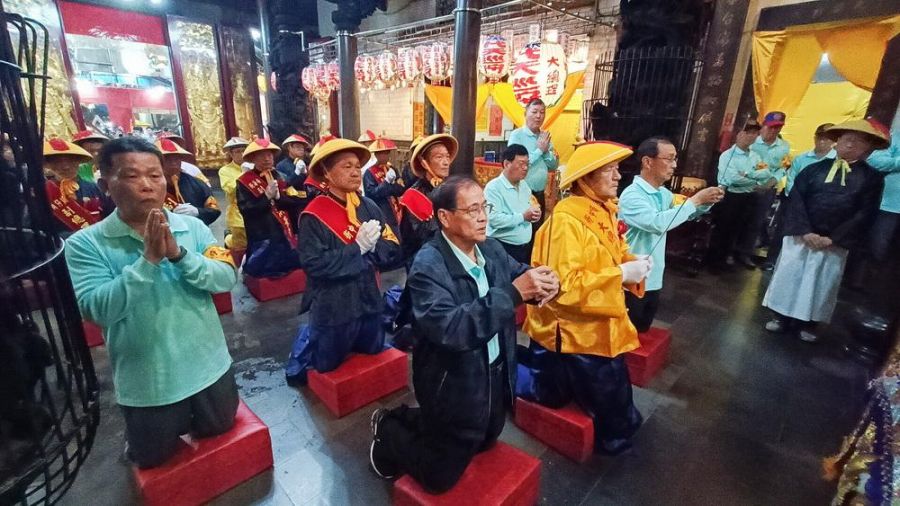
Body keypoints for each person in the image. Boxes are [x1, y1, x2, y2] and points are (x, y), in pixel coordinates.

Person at [368, 176, 559, 492]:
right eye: (472, 210)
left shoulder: (492, 249)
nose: (483, 216)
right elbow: (452, 328)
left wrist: (542, 282)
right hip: (452, 380)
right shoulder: (427, 265)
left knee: (485, 439)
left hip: (493, 373)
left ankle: (426, 425)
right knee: (439, 478)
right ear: (444, 217)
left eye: (485, 207)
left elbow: (519, 274)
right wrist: (513, 293)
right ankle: (387, 429)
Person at [64, 137, 239, 468]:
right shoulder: (85, 244)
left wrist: (179, 255)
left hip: (208, 365)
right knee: (153, 457)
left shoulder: (192, 227)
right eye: (131, 176)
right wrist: (148, 261)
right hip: (149, 380)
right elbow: (96, 309)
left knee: (220, 427)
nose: (147, 185)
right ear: (105, 185)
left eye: (154, 175)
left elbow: (225, 278)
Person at [516, 141, 652, 455]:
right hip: (570, 330)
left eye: (617, 169)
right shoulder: (566, 221)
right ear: (586, 179)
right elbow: (562, 288)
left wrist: (634, 261)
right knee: (564, 391)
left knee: (613, 386)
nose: (618, 176)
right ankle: (504, 369)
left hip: (598, 318)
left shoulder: (603, 210)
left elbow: (611, 255)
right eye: (610, 170)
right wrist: (621, 274)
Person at [285, 139, 401, 383]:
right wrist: (356, 249)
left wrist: (372, 249)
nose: (355, 171)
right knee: (326, 364)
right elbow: (314, 264)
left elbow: (392, 246)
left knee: (372, 348)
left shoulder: (368, 206)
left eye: (357, 166)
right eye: (346, 166)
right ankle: (309, 334)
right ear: (326, 172)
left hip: (369, 298)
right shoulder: (314, 214)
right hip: (334, 305)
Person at [763, 119, 888, 342]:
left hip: (833, 242)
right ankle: (780, 316)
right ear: (837, 141)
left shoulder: (872, 179)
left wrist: (833, 238)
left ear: (867, 148)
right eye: (846, 139)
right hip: (802, 235)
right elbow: (797, 200)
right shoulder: (813, 170)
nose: (850, 145)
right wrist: (805, 230)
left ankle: (809, 323)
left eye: (857, 142)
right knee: (790, 275)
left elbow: (864, 212)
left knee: (821, 282)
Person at [619, 137, 723, 332]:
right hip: (632, 275)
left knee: (642, 328)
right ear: (647, 162)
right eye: (669, 159)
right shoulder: (632, 195)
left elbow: (682, 213)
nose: (674, 165)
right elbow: (658, 223)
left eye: (675, 159)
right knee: (626, 332)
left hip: (655, 273)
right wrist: (695, 201)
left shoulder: (664, 194)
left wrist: (705, 202)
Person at [764, 123, 836, 269]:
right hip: (793, 202)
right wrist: (797, 199)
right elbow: (791, 179)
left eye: (827, 139)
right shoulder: (801, 158)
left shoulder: (836, 162)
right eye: (820, 138)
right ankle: (772, 260)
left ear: (833, 142)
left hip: (818, 208)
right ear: (815, 138)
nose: (822, 142)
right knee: (783, 231)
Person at [708, 119, 776, 270]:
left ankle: (726, 258)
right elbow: (731, 179)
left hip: (747, 198)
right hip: (729, 197)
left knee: (737, 229)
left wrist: (746, 174)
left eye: (755, 133)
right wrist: (753, 181)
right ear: (739, 134)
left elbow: (765, 173)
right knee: (722, 230)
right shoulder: (728, 155)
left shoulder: (755, 157)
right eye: (748, 133)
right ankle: (714, 262)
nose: (751, 136)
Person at [237, 138, 306, 278]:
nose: (267, 159)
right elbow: (246, 209)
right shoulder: (244, 181)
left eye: (269, 155)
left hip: (283, 227)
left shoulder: (280, 176)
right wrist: (266, 197)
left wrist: (280, 198)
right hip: (262, 229)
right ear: (253, 158)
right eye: (261, 155)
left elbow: (293, 200)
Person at [399, 133, 458, 266]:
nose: (446, 162)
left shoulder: (450, 187)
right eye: (439, 157)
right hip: (422, 261)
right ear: (424, 163)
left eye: (447, 156)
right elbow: (423, 236)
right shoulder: (413, 195)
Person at [748, 111, 791, 269]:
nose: (773, 131)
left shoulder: (784, 147)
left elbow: (782, 169)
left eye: (777, 128)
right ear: (763, 126)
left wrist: (769, 184)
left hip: (767, 189)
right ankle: (731, 251)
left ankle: (746, 253)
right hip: (745, 187)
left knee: (756, 222)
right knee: (739, 220)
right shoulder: (751, 141)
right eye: (770, 127)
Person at [484, 143, 540, 264]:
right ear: (506, 164)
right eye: (521, 164)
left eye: (527, 164)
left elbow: (528, 209)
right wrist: (523, 217)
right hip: (502, 247)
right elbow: (493, 219)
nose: (525, 168)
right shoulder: (493, 188)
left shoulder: (525, 186)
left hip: (524, 248)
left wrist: (534, 215)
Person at [42, 138, 109, 236]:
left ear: (79, 161)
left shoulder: (93, 187)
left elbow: (108, 216)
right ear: (48, 165)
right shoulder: (43, 191)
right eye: (57, 162)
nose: (65, 167)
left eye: (70, 161)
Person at [507, 98, 559, 219]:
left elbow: (554, 165)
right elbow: (516, 163)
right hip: (521, 192)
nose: (538, 116)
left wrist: (545, 152)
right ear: (526, 114)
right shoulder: (517, 135)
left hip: (540, 193)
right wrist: (539, 150)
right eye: (534, 112)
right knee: (523, 228)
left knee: (538, 230)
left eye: (542, 112)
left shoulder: (544, 137)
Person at [156, 139, 220, 226]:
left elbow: (214, 210)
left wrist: (197, 212)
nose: (174, 163)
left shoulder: (197, 184)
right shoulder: (151, 187)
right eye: (167, 159)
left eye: (177, 158)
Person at [363, 137, 405, 238]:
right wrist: (386, 183)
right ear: (376, 155)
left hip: (396, 211)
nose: (385, 156)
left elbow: (401, 189)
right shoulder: (369, 173)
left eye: (387, 153)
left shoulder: (392, 169)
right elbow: (372, 194)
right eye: (382, 153)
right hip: (382, 212)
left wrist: (391, 186)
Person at [218, 137, 250, 250]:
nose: (241, 154)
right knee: (241, 245)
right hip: (237, 211)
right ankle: (228, 240)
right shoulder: (225, 170)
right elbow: (230, 189)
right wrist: (244, 175)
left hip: (256, 208)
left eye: (243, 150)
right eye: (237, 151)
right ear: (231, 154)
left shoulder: (254, 166)